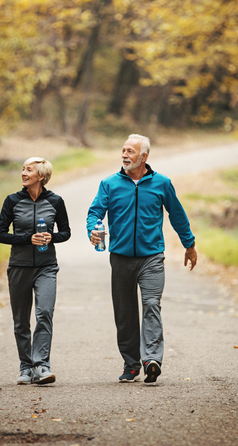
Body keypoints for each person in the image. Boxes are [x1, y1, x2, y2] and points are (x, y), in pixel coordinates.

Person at [87, 134, 198, 383]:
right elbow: (95, 212)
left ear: (144, 157)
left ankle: (152, 360)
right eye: (123, 150)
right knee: (125, 314)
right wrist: (92, 231)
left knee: (151, 305)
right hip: (120, 258)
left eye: (130, 151)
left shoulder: (162, 183)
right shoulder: (109, 184)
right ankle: (131, 363)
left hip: (152, 258)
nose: (124, 155)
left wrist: (189, 244)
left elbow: (177, 215)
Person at [0, 157, 70, 385]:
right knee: (21, 321)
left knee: (44, 313)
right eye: (23, 169)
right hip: (19, 267)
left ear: (41, 176)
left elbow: (65, 232)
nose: (24, 173)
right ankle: (25, 367)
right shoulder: (12, 201)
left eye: (29, 170)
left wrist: (51, 236)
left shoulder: (56, 201)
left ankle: (41, 366)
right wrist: (28, 239)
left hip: (46, 267)